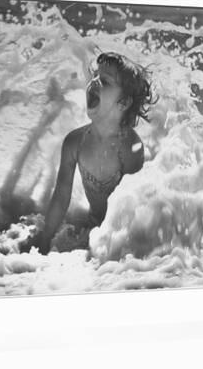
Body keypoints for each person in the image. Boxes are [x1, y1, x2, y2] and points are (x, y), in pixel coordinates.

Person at [37, 52, 156, 254]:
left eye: (105, 81)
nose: (94, 83)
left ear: (123, 103)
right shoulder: (75, 142)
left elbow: (135, 208)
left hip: (117, 235)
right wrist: (45, 238)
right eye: (95, 76)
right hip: (92, 226)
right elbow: (61, 196)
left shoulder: (129, 148)